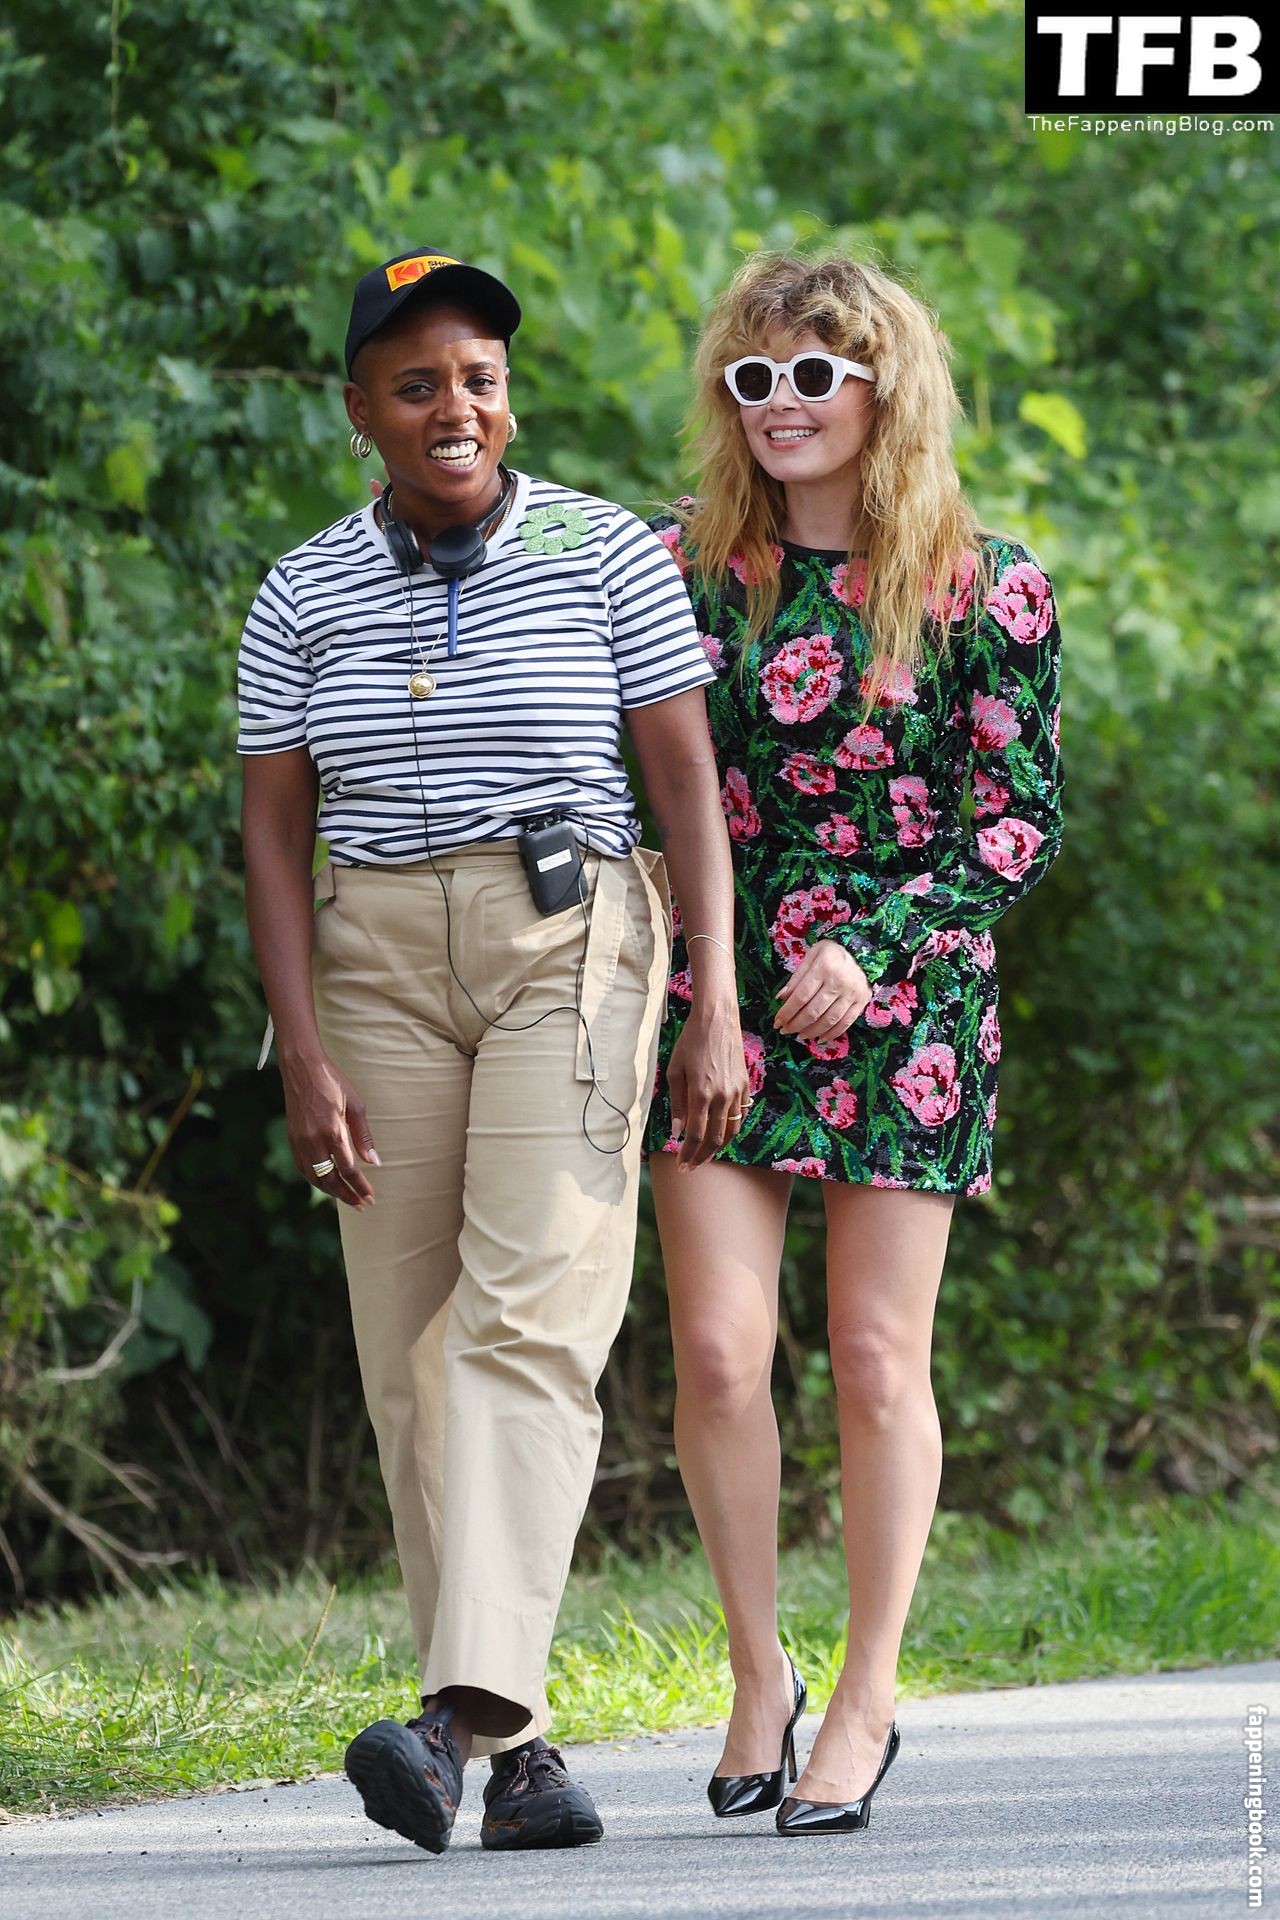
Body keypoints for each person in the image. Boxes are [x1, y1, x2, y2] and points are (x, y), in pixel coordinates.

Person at [235, 247, 748, 1855]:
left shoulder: (607, 554)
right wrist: (301, 1052)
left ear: (508, 398)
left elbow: (686, 788)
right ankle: (516, 1758)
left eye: (480, 378)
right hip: (374, 962)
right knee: (409, 1361)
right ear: (360, 411)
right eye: (418, 385)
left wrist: (717, 1001)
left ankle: (451, 1718)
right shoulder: (301, 591)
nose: (455, 407)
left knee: (525, 1322)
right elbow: (270, 837)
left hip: (568, 943)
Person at [643, 252, 1064, 1835]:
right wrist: (714, 963)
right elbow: (648, 777)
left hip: (908, 1003)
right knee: (716, 1352)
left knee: (880, 1361)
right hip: (721, 992)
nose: (780, 404)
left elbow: (1019, 820)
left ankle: (869, 1696)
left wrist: (871, 948)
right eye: (752, 379)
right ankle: (759, 1670)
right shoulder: (687, 571)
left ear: (885, 389)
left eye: (813, 375)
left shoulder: (982, 581)